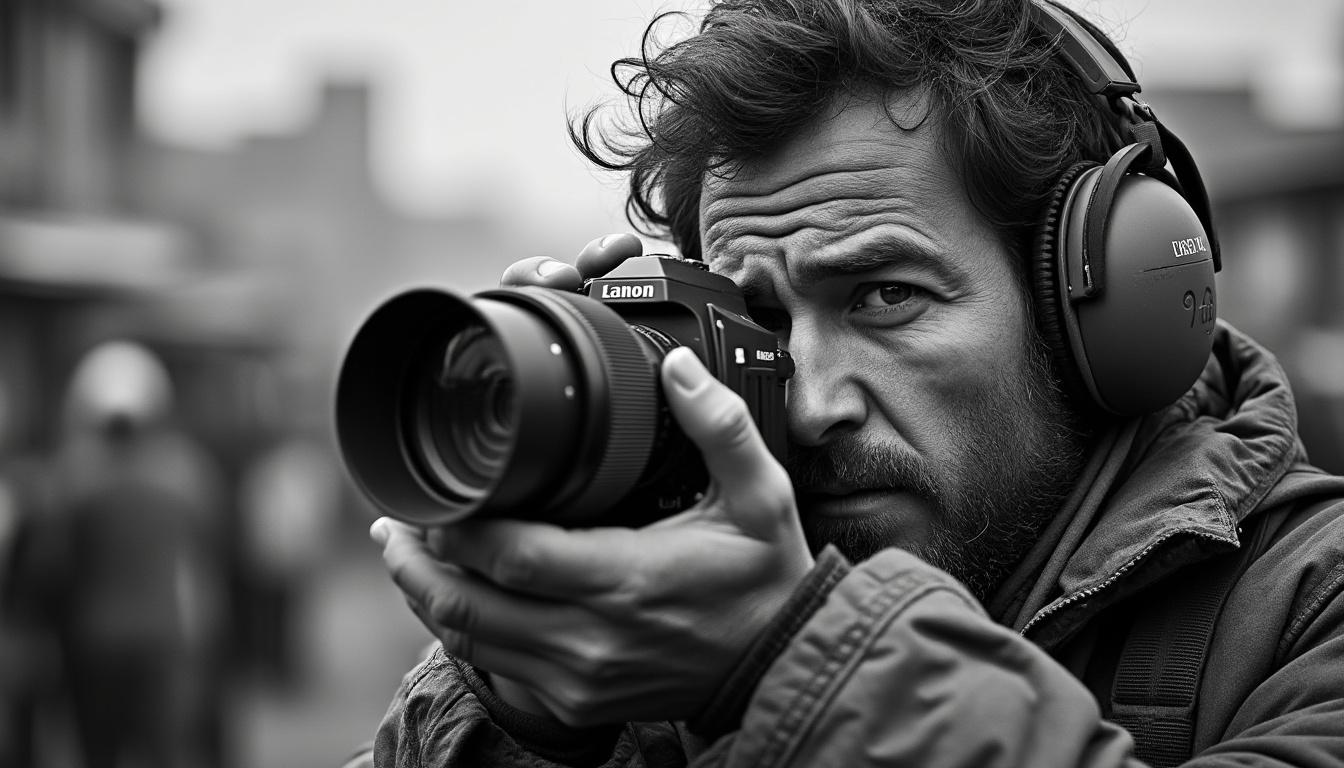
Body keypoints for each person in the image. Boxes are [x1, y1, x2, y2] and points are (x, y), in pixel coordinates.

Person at [352, 1, 1344, 765]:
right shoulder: (656, 637)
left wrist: (790, 663)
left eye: (883, 297)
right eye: (764, 321)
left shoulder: (1311, 612)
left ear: (1091, 309)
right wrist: (527, 717)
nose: (815, 400)